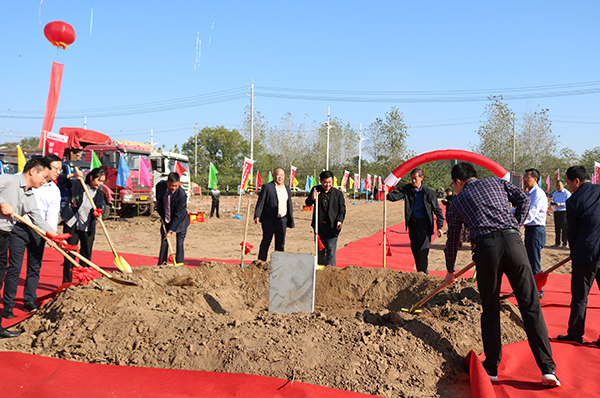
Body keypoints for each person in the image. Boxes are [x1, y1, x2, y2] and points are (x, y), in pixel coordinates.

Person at [444, 162, 559, 387]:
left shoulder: (457, 202)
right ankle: (548, 369)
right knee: (530, 305)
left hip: (487, 250)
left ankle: (492, 369)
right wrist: (515, 225)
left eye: (453, 185)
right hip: (514, 244)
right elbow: (524, 200)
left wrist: (450, 270)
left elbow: (453, 239)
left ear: (458, 182)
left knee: (490, 308)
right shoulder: (497, 182)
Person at [0, 158, 56, 338]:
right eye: (44, 176)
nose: (45, 181)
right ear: (32, 171)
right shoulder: (9, 180)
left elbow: (37, 217)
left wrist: (52, 235)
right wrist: (1, 202)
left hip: (4, 236)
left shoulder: (29, 194)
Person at [556, 166, 600, 346]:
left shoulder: (574, 201)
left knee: (580, 297)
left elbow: (571, 232)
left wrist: (574, 251)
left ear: (577, 181)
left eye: (569, 183)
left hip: (585, 253)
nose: (569, 187)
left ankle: (575, 334)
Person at [385, 168, 444, 274]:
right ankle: (420, 271)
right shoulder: (408, 189)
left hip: (424, 225)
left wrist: (439, 226)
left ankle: (423, 272)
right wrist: (387, 193)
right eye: (412, 178)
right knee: (415, 250)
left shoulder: (429, 192)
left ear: (421, 178)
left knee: (423, 251)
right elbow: (397, 196)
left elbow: (437, 210)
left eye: (415, 178)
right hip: (413, 224)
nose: (413, 181)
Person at [58, 167, 106, 284]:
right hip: (72, 224)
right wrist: (73, 175)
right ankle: (67, 283)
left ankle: (83, 281)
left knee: (86, 255)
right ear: (91, 178)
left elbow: (100, 206)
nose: (100, 184)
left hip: (87, 226)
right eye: (98, 181)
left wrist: (98, 213)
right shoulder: (77, 185)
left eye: (102, 182)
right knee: (70, 254)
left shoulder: (99, 194)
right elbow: (61, 180)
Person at [305, 170, 346, 267]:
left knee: (331, 251)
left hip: (333, 226)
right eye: (325, 182)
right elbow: (307, 203)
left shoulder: (338, 194)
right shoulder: (316, 190)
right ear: (320, 181)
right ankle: (321, 272)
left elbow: (342, 210)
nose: (327, 184)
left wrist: (339, 221)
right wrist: (312, 198)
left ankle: (330, 271)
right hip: (319, 226)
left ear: (332, 181)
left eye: (330, 182)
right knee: (320, 250)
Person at [254, 168, 294, 261]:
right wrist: (257, 215)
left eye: (282, 175)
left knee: (280, 243)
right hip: (269, 220)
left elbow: (289, 203)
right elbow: (260, 202)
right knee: (266, 241)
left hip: (282, 220)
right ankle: (261, 262)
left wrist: (289, 218)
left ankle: (278, 263)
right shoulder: (267, 187)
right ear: (273, 176)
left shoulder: (287, 188)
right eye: (278, 175)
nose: (280, 177)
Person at [522, 168, 548, 297]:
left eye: (527, 177)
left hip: (536, 230)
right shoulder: (529, 194)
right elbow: (521, 210)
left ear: (535, 179)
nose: (524, 180)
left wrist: (517, 222)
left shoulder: (538, 193)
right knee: (530, 260)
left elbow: (531, 214)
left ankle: (538, 291)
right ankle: (533, 288)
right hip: (530, 230)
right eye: (524, 177)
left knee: (534, 261)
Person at [156, 172, 189, 265]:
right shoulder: (161, 185)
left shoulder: (182, 195)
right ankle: (162, 264)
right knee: (164, 240)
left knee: (180, 242)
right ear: (167, 182)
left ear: (179, 183)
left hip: (180, 220)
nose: (173, 188)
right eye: (171, 185)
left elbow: (178, 215)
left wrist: (170, 231)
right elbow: (158, 191)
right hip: (166, 218)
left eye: (175, 186)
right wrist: (158, 201)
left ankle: (179, 264)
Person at [551, 180, 570, 247]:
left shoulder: (566, 193)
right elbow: (553, 200)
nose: (558, 187)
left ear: (563, 185)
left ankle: (564, 243)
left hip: (563, 212)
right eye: (557, 185)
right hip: (556, 212)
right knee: (557, 228)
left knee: (564, 228)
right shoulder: (555, 193)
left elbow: (569, 203)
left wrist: (561, 204)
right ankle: (557, 242)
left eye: (559, 185)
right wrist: (553, 203)